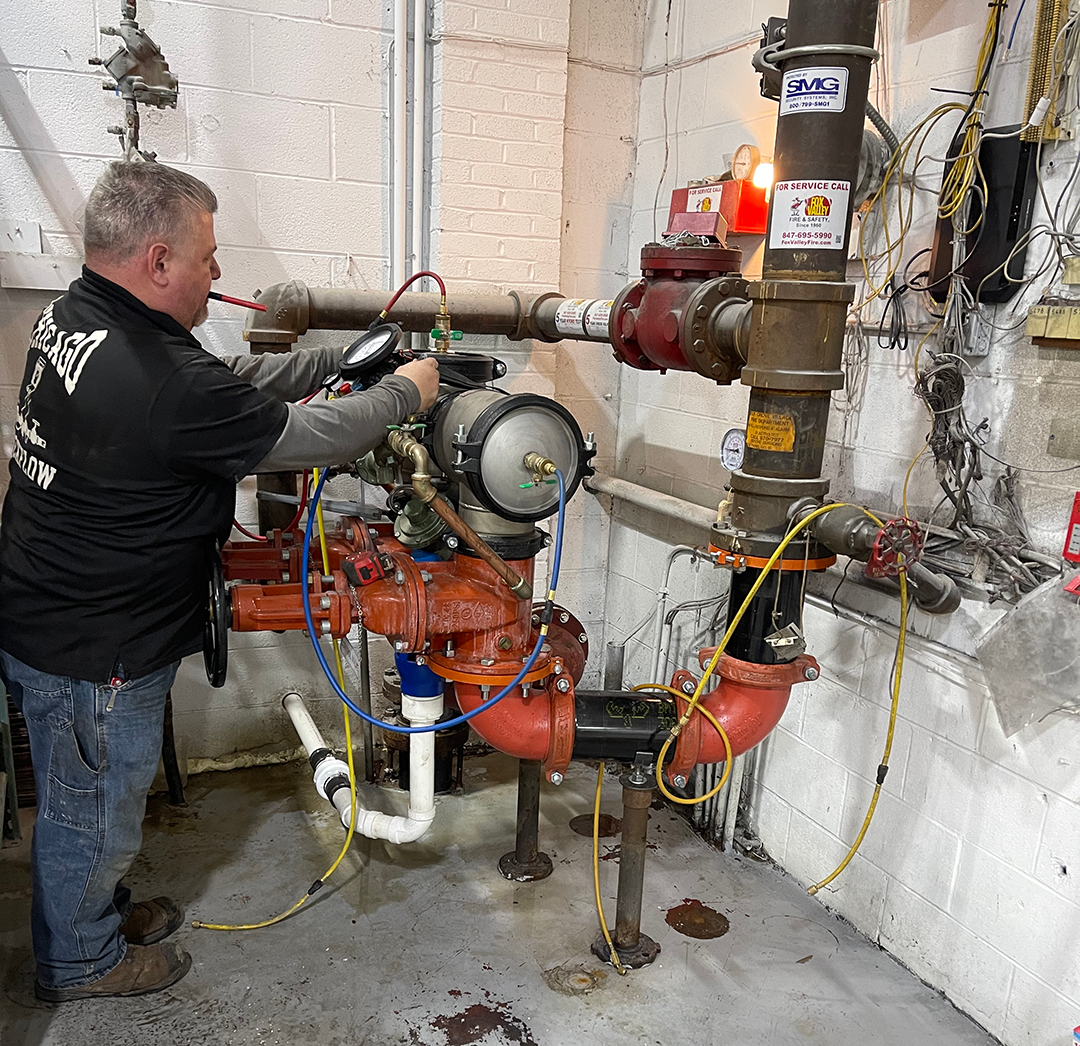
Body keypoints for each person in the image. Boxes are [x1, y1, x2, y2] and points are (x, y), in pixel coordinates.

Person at [0, 161, 439, 1002]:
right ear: (157, 261)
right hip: (96, 643)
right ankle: (79, 964)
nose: (220, 272)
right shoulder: (159, 379)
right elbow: (310, 439)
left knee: (84, 797)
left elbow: (227, 389)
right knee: (90, 806)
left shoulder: (79, 315)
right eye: (208, 255)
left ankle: (89, 918)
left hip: (51, 605)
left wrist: (331, 361)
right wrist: (402, 393)